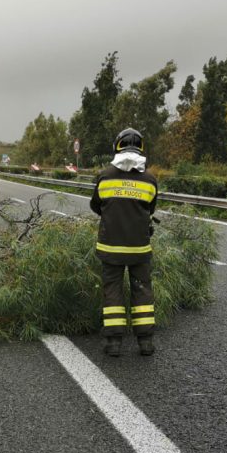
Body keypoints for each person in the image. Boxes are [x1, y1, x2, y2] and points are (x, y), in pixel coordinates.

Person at [90, 128, 158, 357]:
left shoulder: (105, 176)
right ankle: (145, 342)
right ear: (141, 148)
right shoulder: (150, 179)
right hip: (139, 247)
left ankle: (114, 343)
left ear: (117, 146)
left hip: (110, 247)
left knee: (113, 291)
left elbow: (95, 205)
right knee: (142, 291)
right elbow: (151, 208)